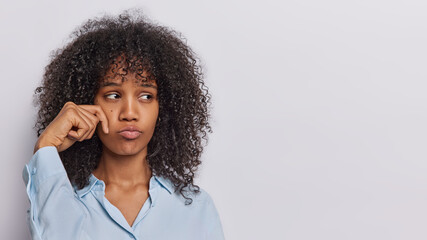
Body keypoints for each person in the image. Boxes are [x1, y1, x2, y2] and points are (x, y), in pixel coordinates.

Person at [22, 10, 225, 240]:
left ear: (163, 108)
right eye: (113, 95)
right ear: (88, 103)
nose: (129, 113)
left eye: (146, 96)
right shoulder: (61, 201)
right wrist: (46, 147)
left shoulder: (196, 208)